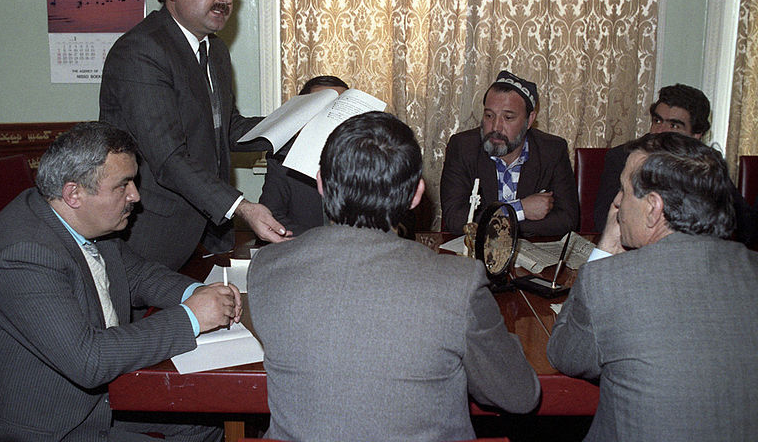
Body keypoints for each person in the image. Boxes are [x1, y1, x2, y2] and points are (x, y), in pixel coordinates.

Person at [248, 111, 540, 441]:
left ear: (320, 184)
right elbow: (519, 396)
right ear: (416, 194)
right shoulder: (459, 283)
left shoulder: (267, 267)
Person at [0, 122, 240, 441]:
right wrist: (192, 317)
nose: (135, 195)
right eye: (123, 185)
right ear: (74, 193)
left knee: (206, 421)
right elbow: (89, 360)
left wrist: (198, 292)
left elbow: (138, 274)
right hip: (45, 425)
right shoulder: (22, 255)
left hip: (91, 397)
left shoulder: (78, 219)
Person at [547, 132, 758, 441]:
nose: (617, 202)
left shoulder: (609, 282)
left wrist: (605, 251)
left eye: (624, 189)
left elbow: (564, 354)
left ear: (653, 208)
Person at [100, 0, 289, 271]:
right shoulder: (141, 51)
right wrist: (242, 207)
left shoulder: (215, 50)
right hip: (147, 235)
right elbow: (168, 158)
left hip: (200, 233)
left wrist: (294, 125)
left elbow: (226, 128)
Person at [593, 83, 757, 246]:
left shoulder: (704, 166)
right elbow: (604, 222)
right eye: (657, 121)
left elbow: (747, 227)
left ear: (696, 135)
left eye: (673, 125)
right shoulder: (623, 157)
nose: (660, 131)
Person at [440, 70, 579, 237]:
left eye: (508, 118)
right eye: (489, 115)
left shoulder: (552, 150)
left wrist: (494, 222)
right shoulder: (463, 147)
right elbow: (455, 219)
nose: (496, 127)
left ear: (529, 120)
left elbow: (567, 219)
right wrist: (519, 210)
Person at [259, 75, 349, 236]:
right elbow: (272, 217)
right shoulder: (282, 159)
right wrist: (319, 241)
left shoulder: (369, 157)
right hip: (303, 245)